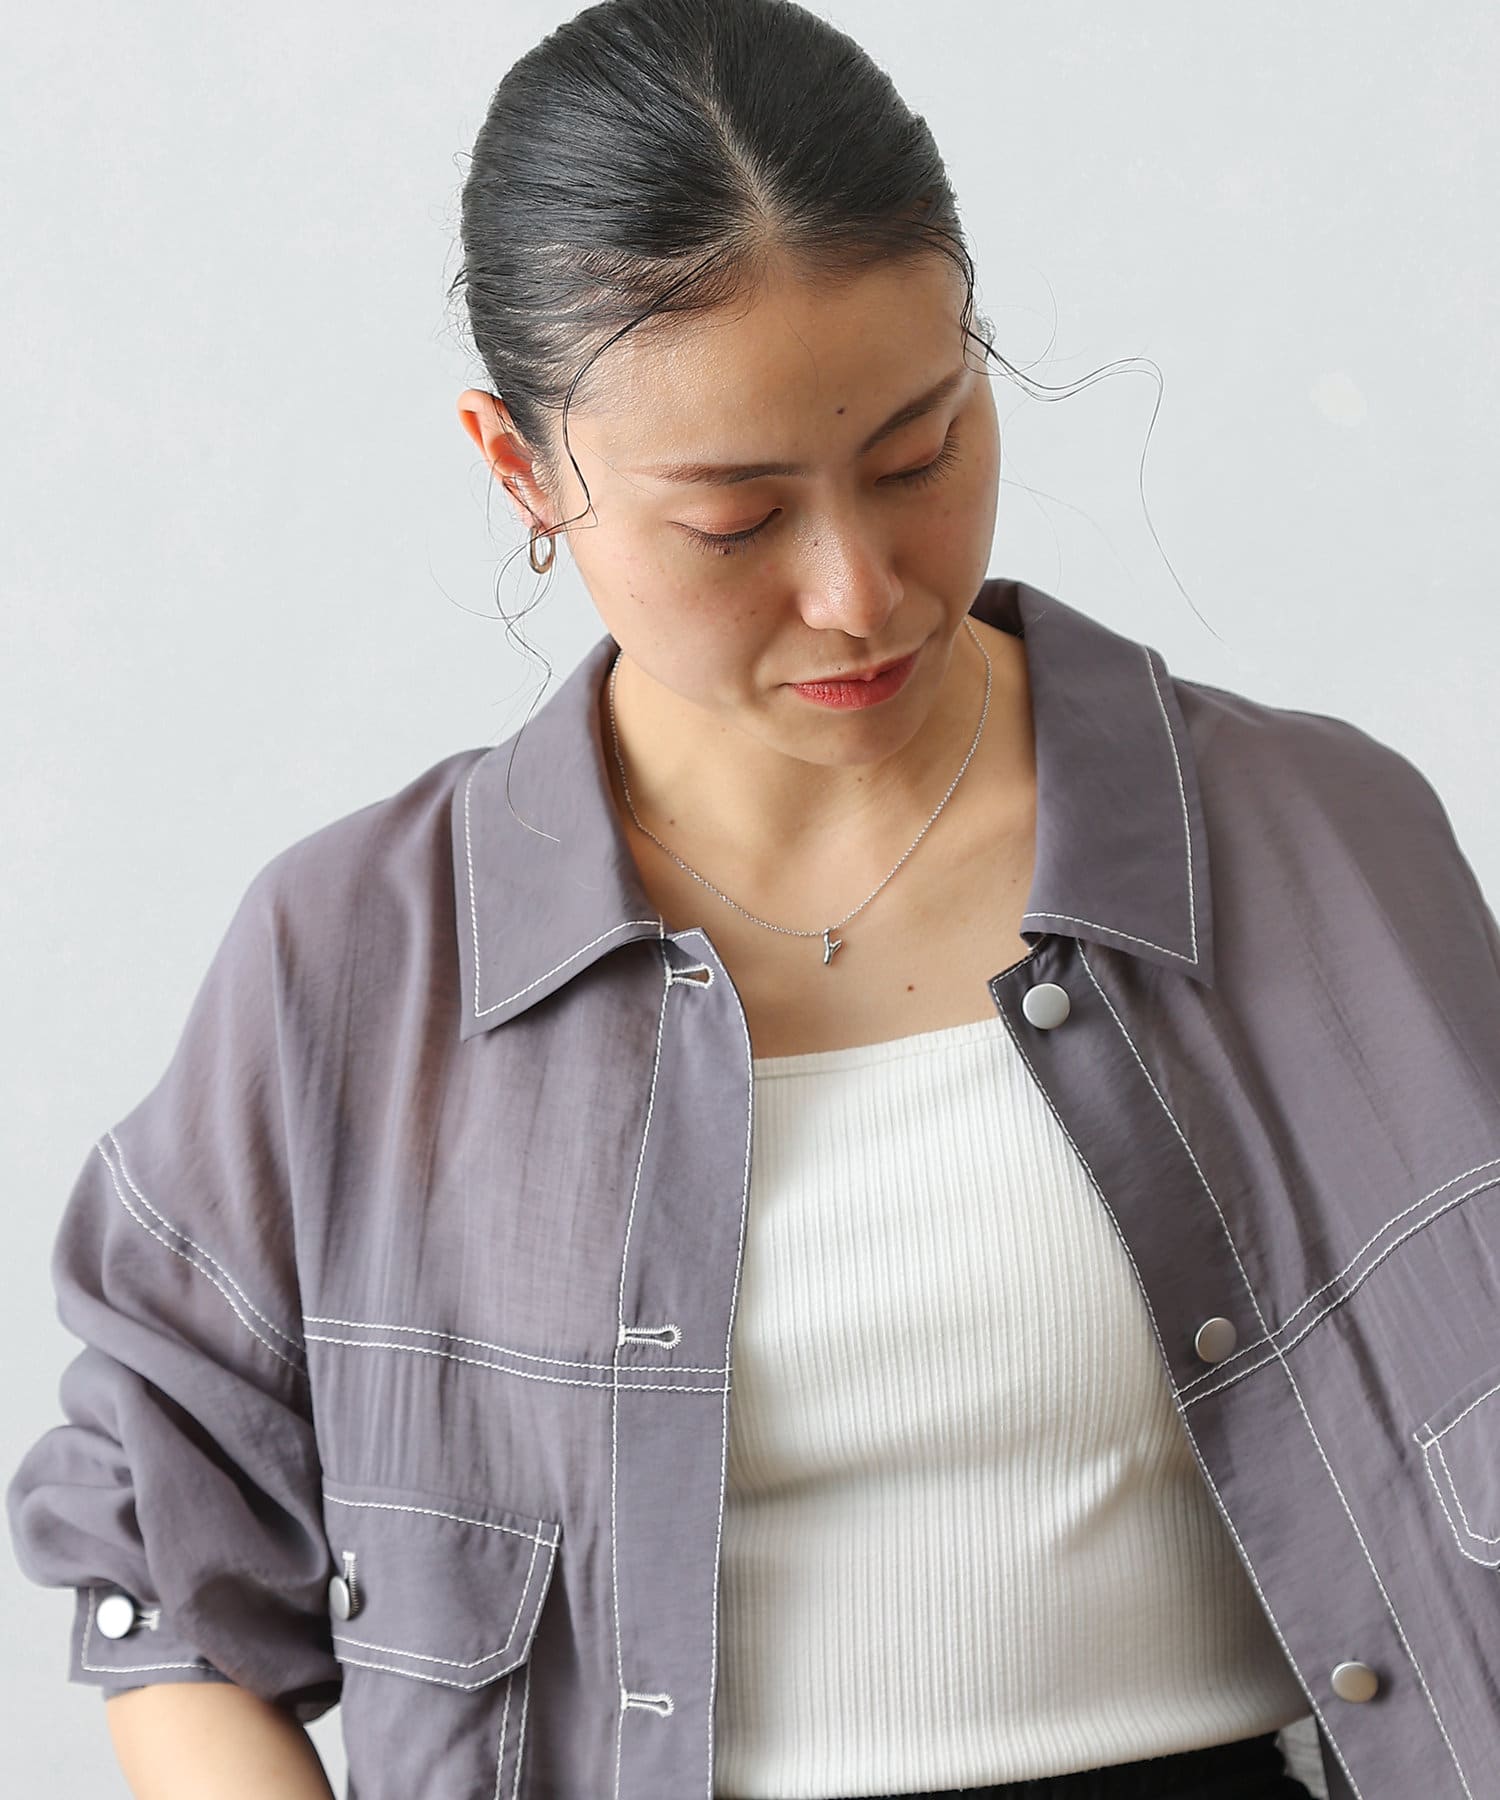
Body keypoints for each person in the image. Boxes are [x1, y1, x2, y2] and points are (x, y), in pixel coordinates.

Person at [11, 2, 1499, 1798]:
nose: (859, 590)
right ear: (521, 468)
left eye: (920, 454)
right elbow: (165, 1581)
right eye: (733, 521)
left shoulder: (1318, 842)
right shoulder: (356, 965)